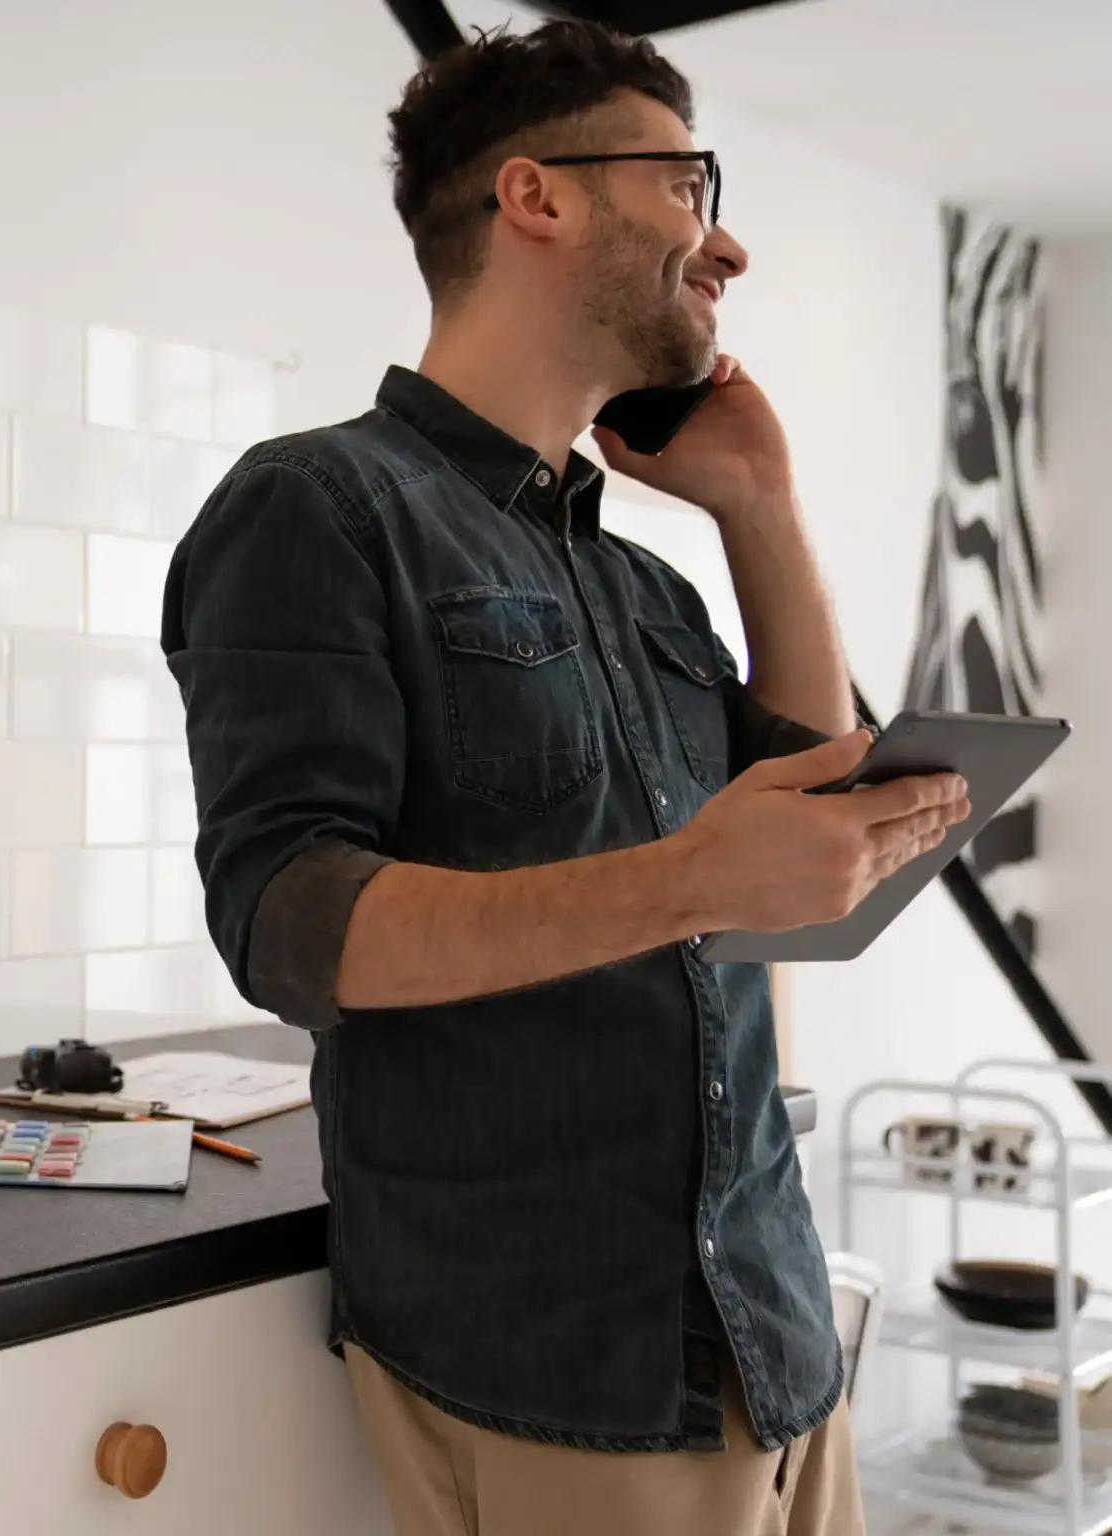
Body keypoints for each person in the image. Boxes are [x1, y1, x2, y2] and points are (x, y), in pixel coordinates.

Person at [161, 19, 969, 1536]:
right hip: (558, 1369)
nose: (721, 243)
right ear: (536, 197)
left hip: (770, 1336)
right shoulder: (320, 506)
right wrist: (689, 878)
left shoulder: (642, 585)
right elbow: (288, 924)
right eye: (685, 184)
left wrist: (760, 510)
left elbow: (789, 884)